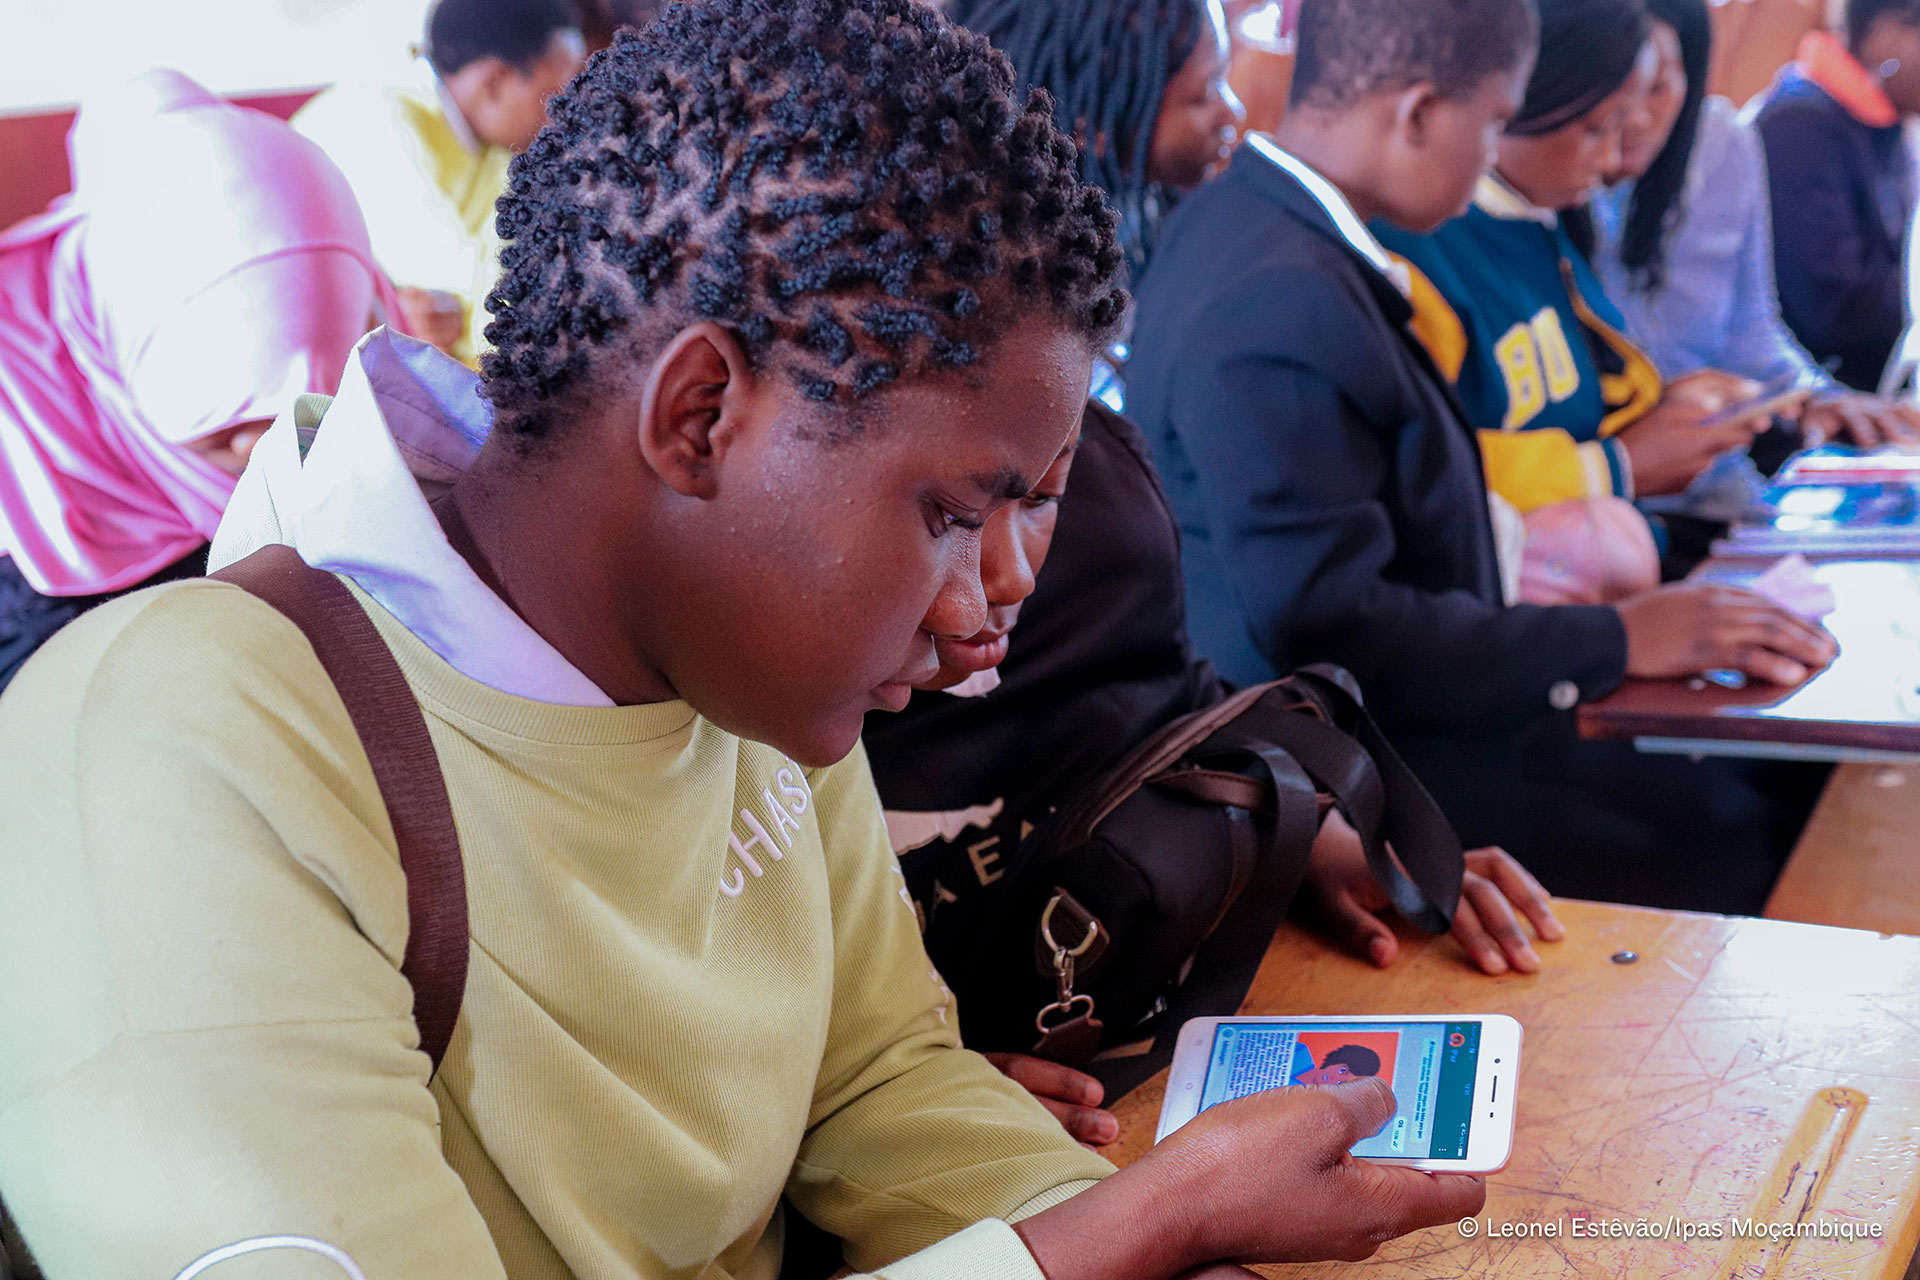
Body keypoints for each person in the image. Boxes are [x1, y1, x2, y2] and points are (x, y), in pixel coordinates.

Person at [0, 4, 1486, 1276]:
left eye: (1033, 510)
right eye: (957, 513)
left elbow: (876, 1080)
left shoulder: (741, 671)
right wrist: (1100, 1243)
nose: (1000, 597)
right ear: (701, 414)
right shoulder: (175, 755)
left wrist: (1093, 1216)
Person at [1125, 0, 1836, 908]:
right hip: (1379, 779)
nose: (1498, 150)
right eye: (1496, 120)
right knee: (1736, 830)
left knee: (1771, 783)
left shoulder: (1268, 228)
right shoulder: (1279, 296)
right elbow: (1334, 628)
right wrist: (1619, 636)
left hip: (1423, 720)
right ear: (1418, 113)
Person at [864, 399, 1567, 1148]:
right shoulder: (777, 711)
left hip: (1128, 1027)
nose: (1010, 580)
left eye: (1041, 496)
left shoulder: (1105, 488)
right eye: (949, 513)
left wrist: (1315, 835)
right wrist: (886, 1094)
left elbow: (1166, 699)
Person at [0, 69, 388, 693]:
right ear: (117, 348)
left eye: (309, 397)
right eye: (224, 422)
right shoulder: (46, 589)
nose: (267, 449)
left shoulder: (368, 342)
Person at [1373, 0, 1784, 513]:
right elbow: (1410, 472)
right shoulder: (1416, 248)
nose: (1613, 159)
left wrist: (1659, 409)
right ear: (1521, 97)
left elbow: (1568, 405)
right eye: (1596, 129)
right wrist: (1616, 467)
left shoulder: (1536, 225)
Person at [1592, 0, 1920, 444]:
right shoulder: (1798, 125)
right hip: (1608, 478)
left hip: (1718, 468)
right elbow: (1839, 309)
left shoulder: (1723, 140)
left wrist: (1812, 396)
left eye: (1659, 85)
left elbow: (1751, 326)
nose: (1636, 116)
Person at [294, 0, 586, 363]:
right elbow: (464, 309)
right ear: (494, 83)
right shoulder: (375, 119)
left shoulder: (492, 146)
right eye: (556, 98)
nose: (567, 118)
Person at [946, 0, 1245, 278]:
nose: (1234, 114)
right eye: (1206, 94)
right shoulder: (1029, 269)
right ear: (1094, 126)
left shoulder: (1150, 205)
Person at [1753, 0, 1920, 392]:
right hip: (1820, 395)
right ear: (1886, 36)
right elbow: (1834, 311)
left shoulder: (1886, 125)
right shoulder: (1798, 127)